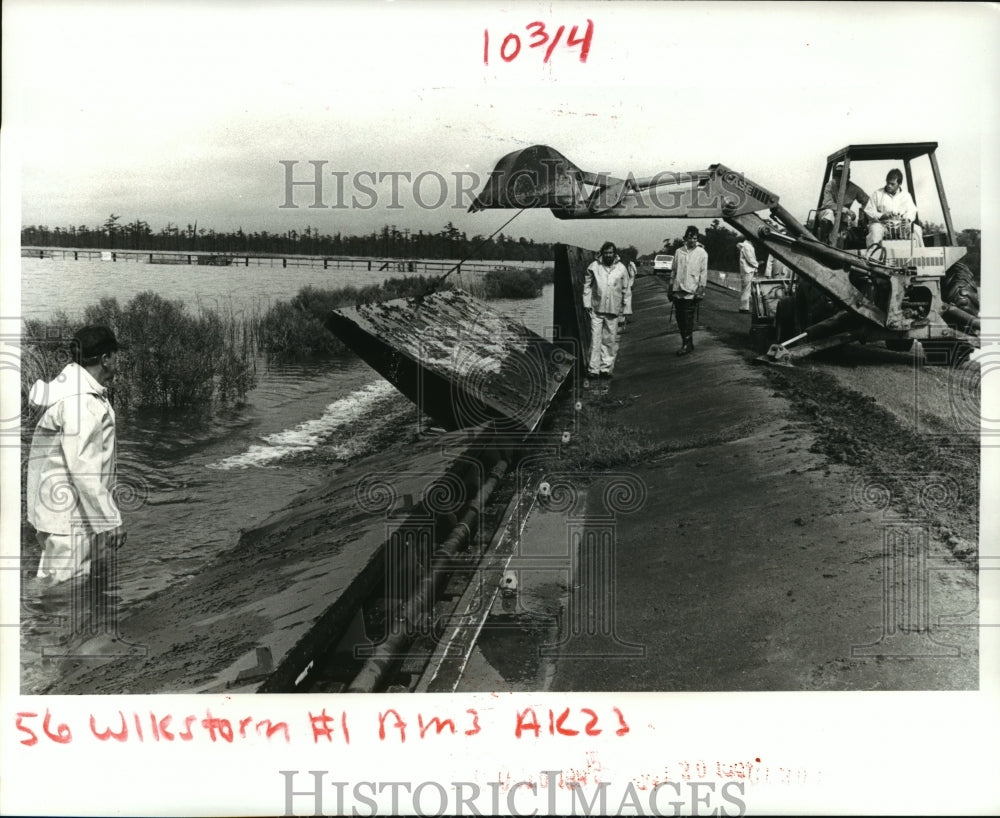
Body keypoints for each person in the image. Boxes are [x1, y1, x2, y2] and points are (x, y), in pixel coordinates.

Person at [26, 325, 128, 586]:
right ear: (105, 359)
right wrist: (110, 520)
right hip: (69, 519)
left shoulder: (70, 390)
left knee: (61, 584)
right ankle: (26, 624)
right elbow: (83, 469)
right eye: (116, 355)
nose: (118, 361)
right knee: (57, 591)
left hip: (63, 512)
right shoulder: (82, 403)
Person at [583, 241, 629, 379]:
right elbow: (587, 285)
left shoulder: (621, 268)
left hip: (613, 310)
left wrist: (626, 310)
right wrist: (586, 303)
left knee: (609, 340)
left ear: (614, 254)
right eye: (606, 252)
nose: (608, 255)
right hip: (597, 309)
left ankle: (605, 368)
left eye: (611, 253)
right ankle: (593, 369)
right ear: (602, 253)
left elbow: (626, 290)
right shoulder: (594, 266)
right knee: (595, 339)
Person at [668, 226, 708, 356]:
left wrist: (701, 289)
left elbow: (703, 273)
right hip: (678, 289)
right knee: (680, 318)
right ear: (685, 238)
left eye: (695, 238)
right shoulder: (679, 251)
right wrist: (670, 287)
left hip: (692, 289)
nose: (692, 240)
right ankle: (688, 342)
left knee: (687, 318)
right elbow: (674, 270)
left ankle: (686, 344)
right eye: (690, 238)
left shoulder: (702, 253)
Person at [864, 168, 923, 247]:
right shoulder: (877, 194)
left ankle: (919, 255)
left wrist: (907, 219)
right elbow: (868, 210)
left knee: (916, 229)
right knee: (875, 230)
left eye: (892, 184)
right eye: (887, 183)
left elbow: (912, 211)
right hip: (882, 224)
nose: (889, 186)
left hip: (902, 225)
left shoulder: (906, 195)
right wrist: (882, 215)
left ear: (899, 184)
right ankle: (872, 256)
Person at [818, 164, 869, 244]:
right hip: (826, 216)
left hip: (842, 221)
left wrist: (861, 216)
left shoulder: (854, 189)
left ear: (848, 178)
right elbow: (828, 203)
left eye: (841, 177)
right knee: (829, 213)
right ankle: (823, 242)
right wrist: (846, 210)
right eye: (836, 177)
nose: (838, 180)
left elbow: (867, 201)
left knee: (842, 239)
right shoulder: (830, 185)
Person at [736, 237, 759, 313]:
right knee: (746, 288)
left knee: (746, 288)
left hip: (747, 269)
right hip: (747, 270)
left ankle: (744, 307)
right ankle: (744, 308)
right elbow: (750, 259)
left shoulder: (746, 246)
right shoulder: (747, 246)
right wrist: (757, 264)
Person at [619, 247, 638, 330]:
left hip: (629, 284)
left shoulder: (631, 264)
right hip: (622, 285)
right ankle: (622, 321)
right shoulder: (620, 265)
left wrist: (632, 284)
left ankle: (624, 321)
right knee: (622, 303)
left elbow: (634, 274)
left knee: (626, 303)